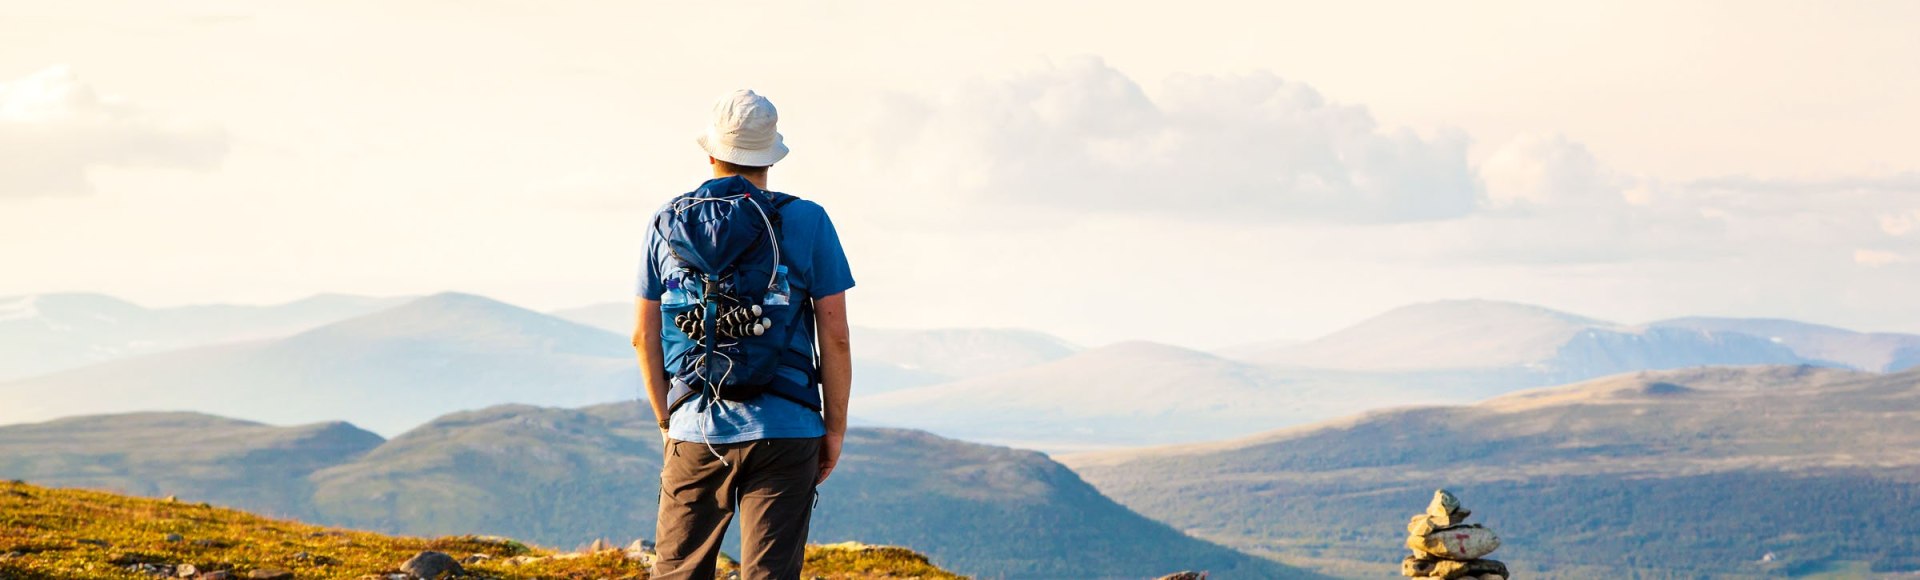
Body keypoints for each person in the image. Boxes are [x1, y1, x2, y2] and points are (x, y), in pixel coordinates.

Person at [633, 89, 855, 580]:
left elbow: (642, 336)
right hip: (788, 427)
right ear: (769, 155)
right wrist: (834, 429)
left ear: (711, 152)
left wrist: (668, 421)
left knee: (678, 572)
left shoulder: (668, 221)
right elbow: (834, 335)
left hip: (695, 424)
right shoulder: (807, 219)